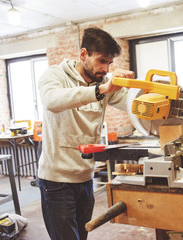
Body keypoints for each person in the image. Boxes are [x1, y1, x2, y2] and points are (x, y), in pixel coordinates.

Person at [37, 27, 134, 240]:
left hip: (85, 178)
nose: (106, 69)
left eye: (109, 63)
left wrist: (154, 96)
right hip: (56, 182)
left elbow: (132, 103)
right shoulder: (55, 75)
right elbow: (53, 101)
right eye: (101, 61)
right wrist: (101, 90)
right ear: (83, 54)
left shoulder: (102, 82)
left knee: (81, 237)